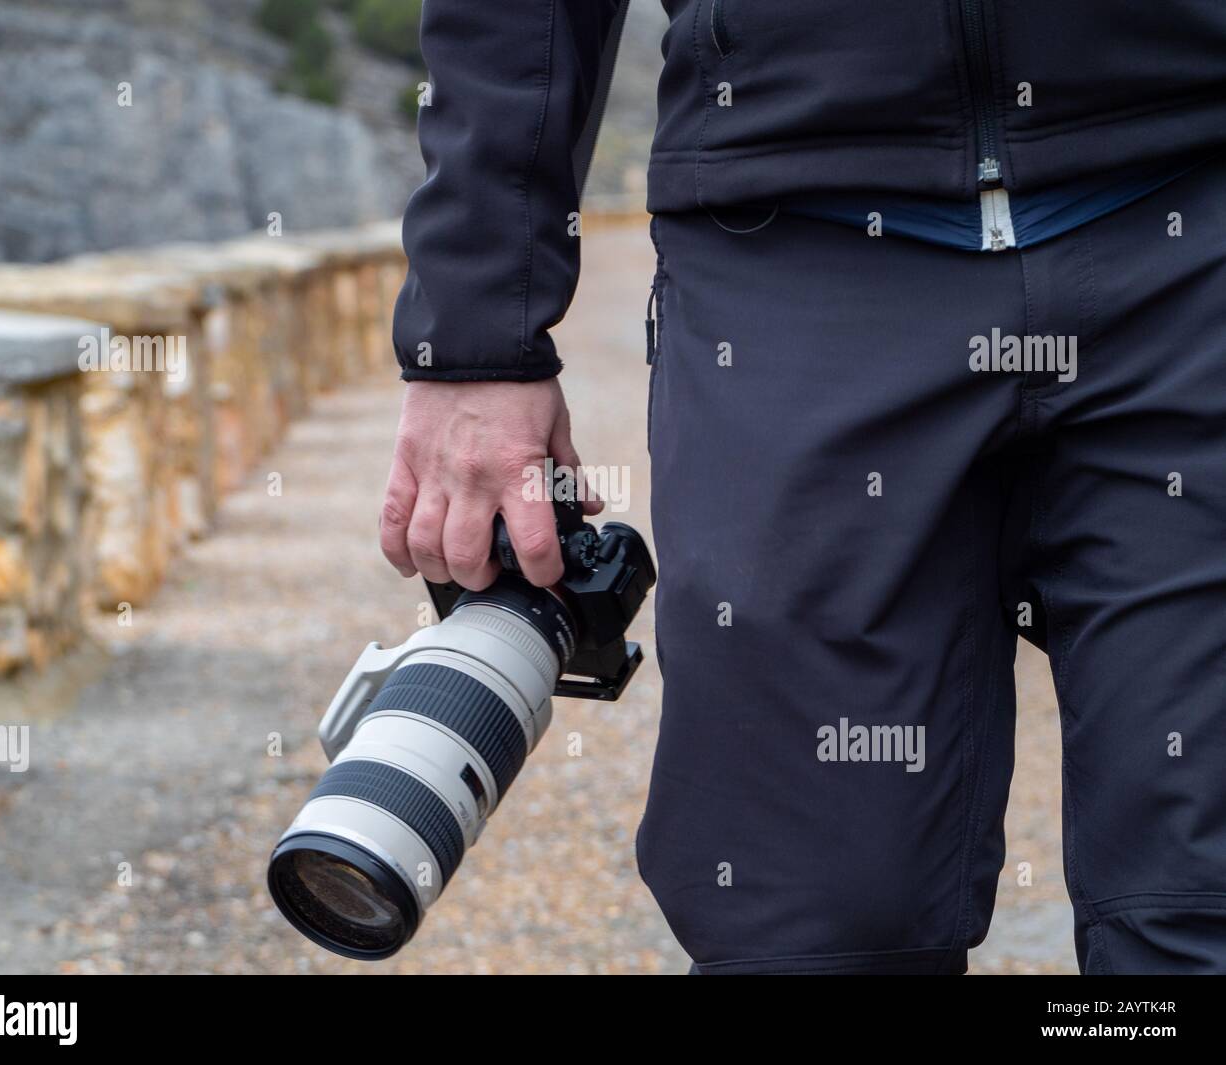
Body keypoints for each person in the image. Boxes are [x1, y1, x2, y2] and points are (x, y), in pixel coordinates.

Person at [381, 1, 1226, 974]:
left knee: (1201, 906)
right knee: (812, 926)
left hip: (1186, 222)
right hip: (790, 248)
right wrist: (474, 337)